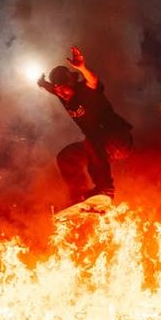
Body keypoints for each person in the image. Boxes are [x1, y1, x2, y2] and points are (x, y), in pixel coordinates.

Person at [37, 46, 133, 205]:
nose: (63, 94)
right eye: (59, 91)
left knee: (91, 140)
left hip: (119, 140)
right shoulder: (61, 93)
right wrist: (42, 83)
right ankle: (79, 196)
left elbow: (93, 80)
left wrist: (82, 67)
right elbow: (51, 87)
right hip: (99, 145)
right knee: (66, 156)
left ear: (73, 81)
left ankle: (105, 189)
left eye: (65, 89)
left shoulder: (85, 90)